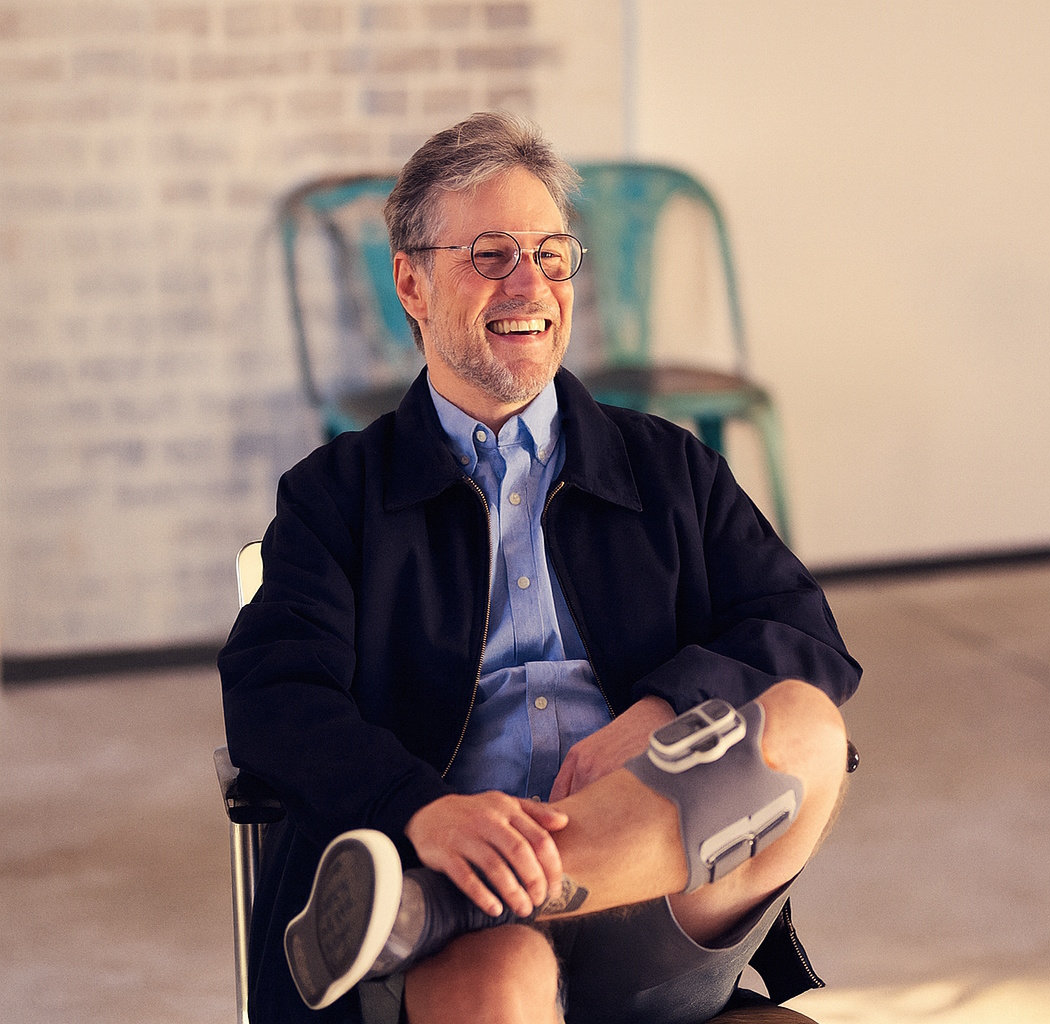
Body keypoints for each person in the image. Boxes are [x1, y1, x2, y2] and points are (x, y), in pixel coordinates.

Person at [219, 110, 861, 1024]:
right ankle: (460, 902)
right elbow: (274, 694)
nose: (530, 283)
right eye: (490, 255)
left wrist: (660, 714)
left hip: (657, 896)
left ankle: (433, 910)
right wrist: (425, 811)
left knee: (807, 724)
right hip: (468, 914)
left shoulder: (669, 467)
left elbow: (807, 636)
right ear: (411, 281)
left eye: (552, 255)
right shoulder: (337, 498)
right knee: (497, 989)